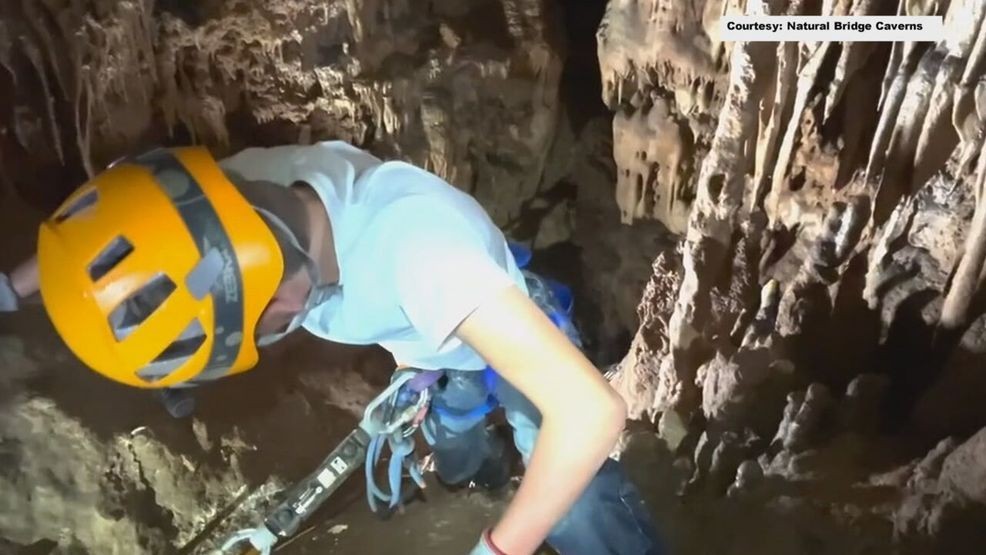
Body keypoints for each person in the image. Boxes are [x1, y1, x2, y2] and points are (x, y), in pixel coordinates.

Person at [0, 142, 663, 554]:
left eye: (256, 333)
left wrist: (499, 547)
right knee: (457, 446)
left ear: (284, 302)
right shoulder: (234, 196)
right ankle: (485, 476)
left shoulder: (425, 255)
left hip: (495, 321)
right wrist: (15, 285)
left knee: (571, 491)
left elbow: (591, 410)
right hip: (426, 346)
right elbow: (127, 220)